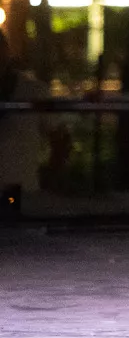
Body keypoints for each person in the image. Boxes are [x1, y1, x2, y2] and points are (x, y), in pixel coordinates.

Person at [0, 25, 70, 204]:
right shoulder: (33, 91)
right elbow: (61, 139)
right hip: (24, 190)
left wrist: (50, 177)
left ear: (7, 52)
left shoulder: (33, 91)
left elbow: (61, 140)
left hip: (23, 194)